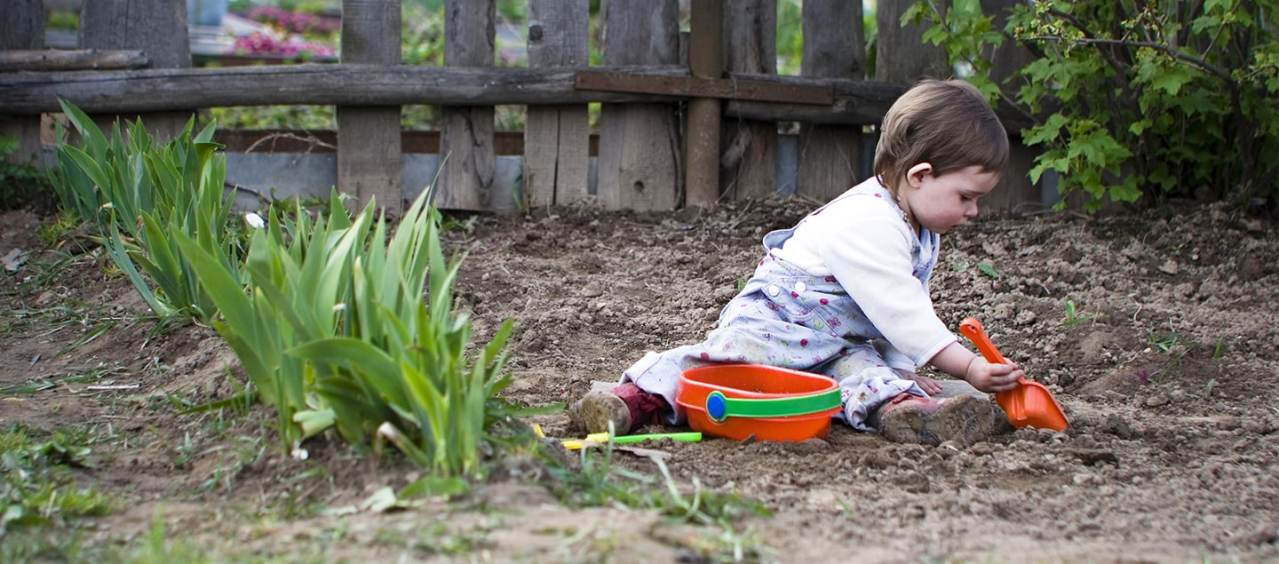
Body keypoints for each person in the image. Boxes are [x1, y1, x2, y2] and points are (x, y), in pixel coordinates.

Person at [570, 79, 1024, 445]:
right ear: (920, 175)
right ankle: (632, 398)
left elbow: (902, 308)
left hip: (836, 344)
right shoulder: (870, 221)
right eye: (966, 197)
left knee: (863, 372)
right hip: (777, 324)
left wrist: (901, 368)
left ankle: (905, 411)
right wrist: (967, 368)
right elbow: (902, 312)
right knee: (723, 368)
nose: (973, 212)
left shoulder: (920, 225)